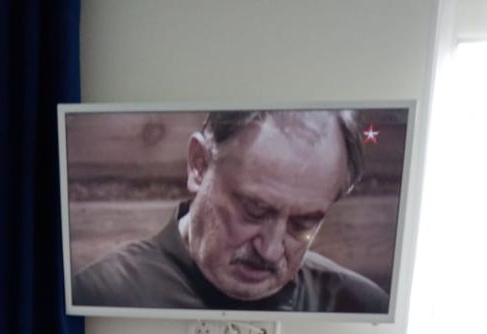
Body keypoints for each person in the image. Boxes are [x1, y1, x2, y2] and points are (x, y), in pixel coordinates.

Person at [72, 110, 389, 313]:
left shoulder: (360, 306)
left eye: (303, 224)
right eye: (254, 210)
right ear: (199, 165)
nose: (270, 250)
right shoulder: (99, 294)